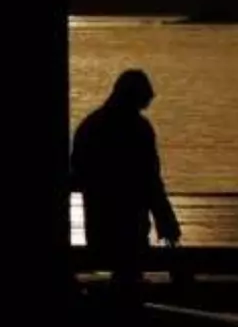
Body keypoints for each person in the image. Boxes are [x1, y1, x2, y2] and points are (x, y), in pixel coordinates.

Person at [70, 69, 180, 293]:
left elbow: (78, 175)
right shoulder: (140, 129)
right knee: (131, 267)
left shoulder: (90, 126)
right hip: (132, 232)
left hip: (99, 229)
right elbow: (151, 182)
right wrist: (166, 222)